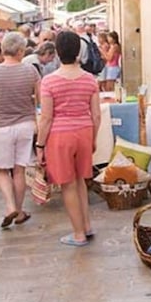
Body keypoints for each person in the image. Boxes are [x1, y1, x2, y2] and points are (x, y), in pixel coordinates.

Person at [35, 30, 100, 246]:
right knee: (81, 180)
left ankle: (78, 233)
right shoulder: (90, 79)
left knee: (68, 184)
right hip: (84, 131)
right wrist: (93, 138)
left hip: (60, 135)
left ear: (58, 51)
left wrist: (40, 144)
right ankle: (87, 226)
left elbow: (46, 117)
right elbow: (96, 114)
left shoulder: (49, 81)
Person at [0, 32, 40, 228]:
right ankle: (19, 211)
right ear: (20, 50)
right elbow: (40, 100)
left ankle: (10, 205)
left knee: (2, 171)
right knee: (19, 170)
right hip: (25, 124)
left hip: (0, 126)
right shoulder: (31, 71)